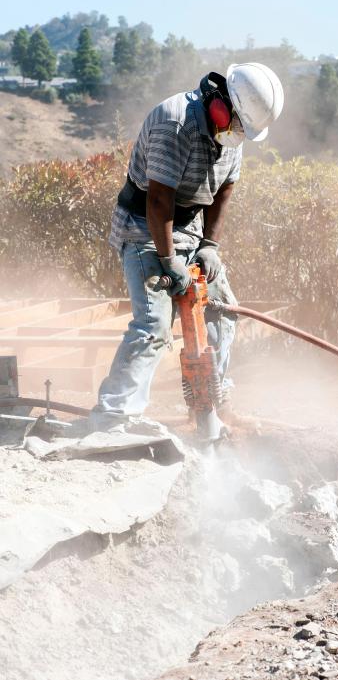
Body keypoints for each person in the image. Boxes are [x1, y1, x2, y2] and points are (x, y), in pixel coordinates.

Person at [90, 63, 284, 431]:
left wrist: (209, 245)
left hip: (190, 229)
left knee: (224, 311)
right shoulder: (175, 122)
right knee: (154, 324)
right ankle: (113, 417)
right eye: (240, 125)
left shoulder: (232, 135)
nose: (240, 134)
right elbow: (158, 200)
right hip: (144, 227)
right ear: (221, 105)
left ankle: (212, 396)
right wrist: (167, 261)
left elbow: (224, 191)